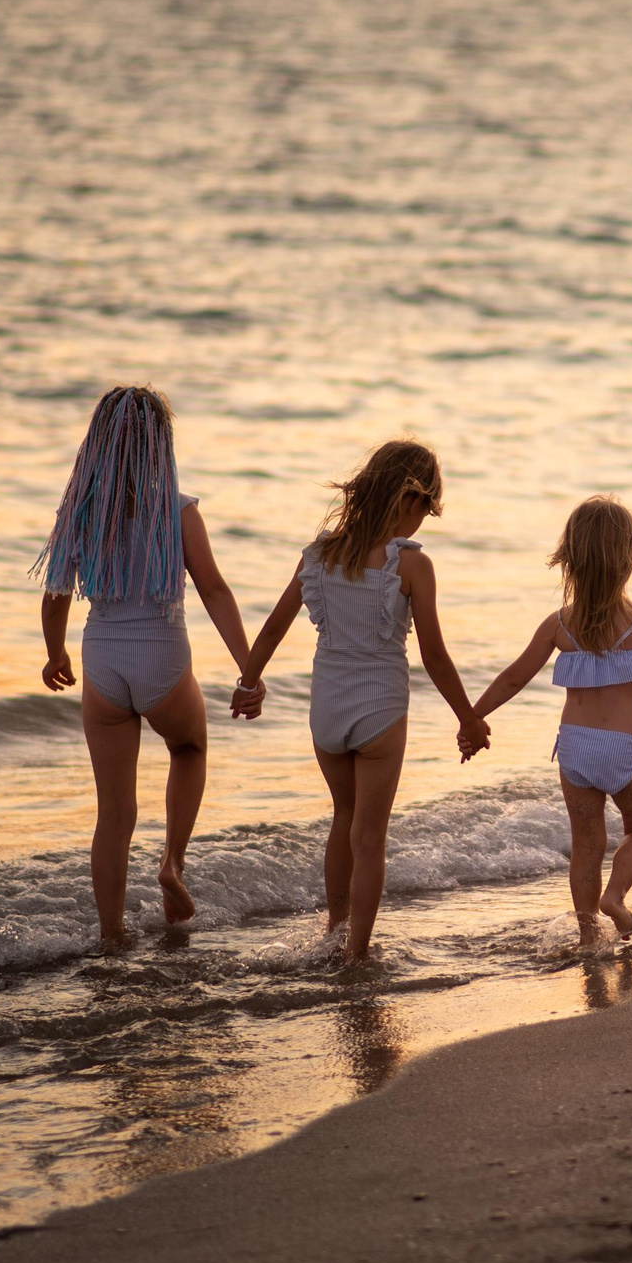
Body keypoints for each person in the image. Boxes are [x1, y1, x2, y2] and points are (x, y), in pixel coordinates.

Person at [235, 440, 487, 964]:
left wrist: (248, 681)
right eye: (426, 510)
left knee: (343, 817)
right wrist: (468, 716)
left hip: (326, 707)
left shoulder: (320, 554)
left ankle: (335, 926)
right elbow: (434, 655)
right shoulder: (412, 566)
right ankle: (356, 952)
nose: (423, 523)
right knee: (369, 835)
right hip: (379, 708)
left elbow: (275, 627)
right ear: (408, 500)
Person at [35, 385, 255, 947]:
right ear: (160, 444)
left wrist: (54, 651)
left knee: (114, 815)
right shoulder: (177, 511)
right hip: (162, 655)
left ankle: (112, 936)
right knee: (189, 748)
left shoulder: (80, 514)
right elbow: (214, 589)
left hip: (103, 660)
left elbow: (56, 591)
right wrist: (248, 669)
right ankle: (172, 864)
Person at [463, 496, 632, 942]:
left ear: (568, 560)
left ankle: (590, 935)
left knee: (586, 847)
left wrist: (473, 715)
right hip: (625, 750)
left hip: (574, 750)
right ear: (630, 560)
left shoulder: (559, 625)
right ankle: (615, 898)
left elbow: (514, 676)